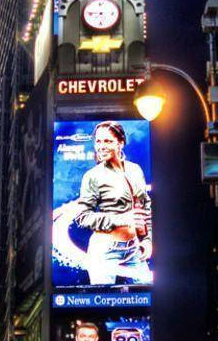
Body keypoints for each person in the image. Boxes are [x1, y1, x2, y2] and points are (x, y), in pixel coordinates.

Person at [56, 121, 153, 286]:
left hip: (134, 249)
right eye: (98, 141)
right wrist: (122, 219)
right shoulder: (92, 176)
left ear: (120, 143)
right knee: (104, 304)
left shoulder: (135, 170)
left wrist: (148, 239)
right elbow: (82, 217)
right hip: (105, 250)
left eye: (107, 141)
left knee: (148, 304)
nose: (101, 146)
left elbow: (145, 207)